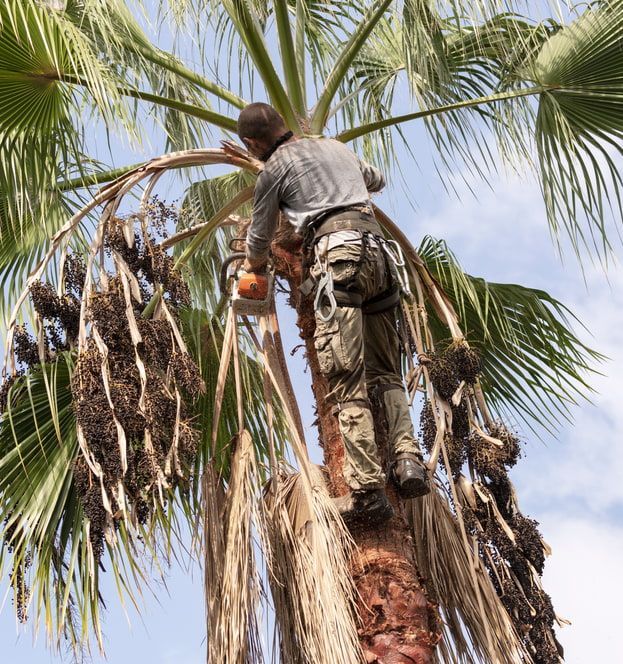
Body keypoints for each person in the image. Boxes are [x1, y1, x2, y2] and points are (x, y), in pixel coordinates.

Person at [238, 102, 430, 526]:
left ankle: (367, 492)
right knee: (387, 372)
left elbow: (260, 233)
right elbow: (376, 177)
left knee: (347, 379)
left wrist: (253, 266)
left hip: (338, 259)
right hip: (380, 256)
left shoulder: (273, 170)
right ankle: (408, 461)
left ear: (252, 143)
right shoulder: (334, 145)